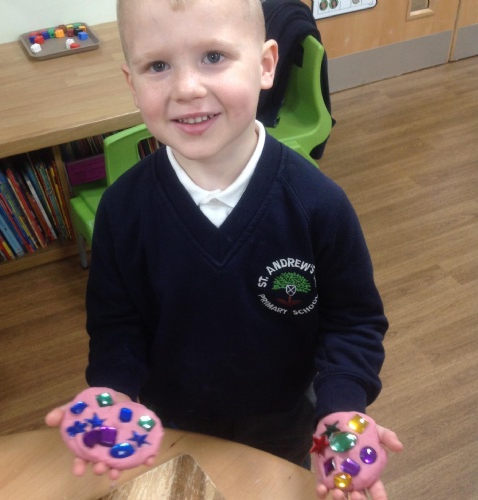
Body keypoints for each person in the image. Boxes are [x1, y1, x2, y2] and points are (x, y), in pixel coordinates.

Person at [46, 0, 403, 498]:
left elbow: (353, 321)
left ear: (266, 65)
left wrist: (342, 403)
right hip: (172, 426)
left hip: (286, 428)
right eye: (158, 66)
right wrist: (113, 389)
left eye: (213, 57)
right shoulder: (123, 211)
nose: (186, 88)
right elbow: (116, 326)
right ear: (132, 83)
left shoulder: (319, 205)